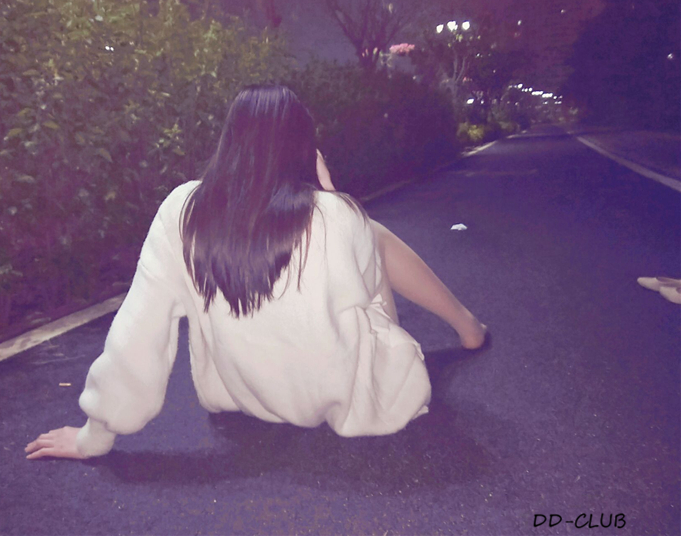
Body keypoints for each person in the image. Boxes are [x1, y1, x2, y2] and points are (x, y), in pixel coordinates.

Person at [25, 84, 488, 460]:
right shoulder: (335, 215)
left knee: (361, 236)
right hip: (355, 400)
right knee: (374, 236)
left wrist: (95, 435)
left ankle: (464, 325)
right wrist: (333, 196)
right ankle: (467, 325)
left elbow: (137, 331)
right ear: (305, 147)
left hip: (243, 399)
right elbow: (370, 303)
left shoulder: (181, 211)